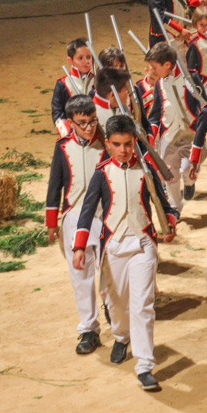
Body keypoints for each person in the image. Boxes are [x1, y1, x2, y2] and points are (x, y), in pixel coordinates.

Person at [73, 115, 178, 391]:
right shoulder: (101, 173)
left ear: (135, 143)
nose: (124, 150)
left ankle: (144, 365)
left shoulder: (146, 168)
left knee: (143, 304)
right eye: (117, 144)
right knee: (117, 303)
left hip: (143, 242)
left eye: (129, 144)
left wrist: (169, 221)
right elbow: (87, 211)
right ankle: (121, 336)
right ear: (107, 144)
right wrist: (80, 246)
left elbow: (162, 200)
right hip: (115, 245)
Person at [46, 95, 108, 354]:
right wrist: (52, 223)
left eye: (92, 121)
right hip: (73, 216)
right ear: (70, 123)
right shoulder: (62, 148)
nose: (89, 128)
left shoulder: (107, 145)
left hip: (104, 217)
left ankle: (114, 313)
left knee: (110, 272)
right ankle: (88, 330)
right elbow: (55, 185)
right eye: (82, 123)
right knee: (80, 275)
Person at [145, 43, 201, 213]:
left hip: (191, 133)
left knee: (187, 168)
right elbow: (155, 114)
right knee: (170, 174)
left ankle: (189, 181)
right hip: (169, 134)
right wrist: (152, 134)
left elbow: (203, 104)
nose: (153, 72)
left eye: (155, 67)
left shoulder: (191, 77)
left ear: (167, 65)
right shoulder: (160, 84)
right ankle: (175, 208)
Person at [51, 38, 94, 137]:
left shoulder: (97, 82)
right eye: (80, 58)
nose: (86, 61)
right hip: (72, 134)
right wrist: (67, 132)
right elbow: (57, 111)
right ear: (70, 60)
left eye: (88, 57)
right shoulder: (62, 84)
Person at [187, 6, 207, 100]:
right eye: (202, 25)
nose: (205, 28)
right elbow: (191, 67)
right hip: (203, 81)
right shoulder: (194, 43)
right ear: (195, 25)